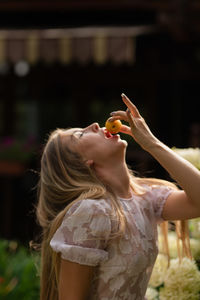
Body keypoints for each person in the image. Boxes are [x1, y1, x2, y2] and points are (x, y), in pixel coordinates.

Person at [36, 93, 200, 300]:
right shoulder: (91, 212)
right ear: (82, 162)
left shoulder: (146, 198)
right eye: (80, 135)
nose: (95, 125)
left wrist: (151, 143)